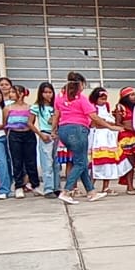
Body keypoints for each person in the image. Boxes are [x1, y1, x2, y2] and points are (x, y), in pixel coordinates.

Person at [49, 72, 108, 204]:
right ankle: (66, 191)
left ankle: (91, 192)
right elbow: (93, 116)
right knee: (81, 162)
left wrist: (54, 130)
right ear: (80, 84)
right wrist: (110, 126)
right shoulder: (81, 98)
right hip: (78, 131)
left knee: (80, 161)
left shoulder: (60, 97)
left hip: (64, 131)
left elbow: (56, 116)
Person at [89, 87, 129, 194]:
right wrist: (108, 125)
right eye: (101, 99)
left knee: (109, 162)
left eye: (105, 99)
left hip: (109, 138)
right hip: (99, 138)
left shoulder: (106, 106)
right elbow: (94, 123)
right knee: (97, 162)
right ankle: (90, 187)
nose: (104, 101)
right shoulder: (92, 108)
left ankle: (106, 187)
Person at [4, 85, 39, 198]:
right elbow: (5, 124)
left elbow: (31, 122)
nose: (11, 94)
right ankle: (19, 186)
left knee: (31, 161)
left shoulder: (30, 107)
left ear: (21, 93)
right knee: (17, 161)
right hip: (14, 135)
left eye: (13, 92)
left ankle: (35, 185)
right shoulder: (7, 108)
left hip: (28, 134)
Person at [30, 82, 59, 198]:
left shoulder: (56, 107)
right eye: (45, 92)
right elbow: (30, 123)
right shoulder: (37, 106)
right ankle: (48, 189)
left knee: (56, 164)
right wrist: (40, 135)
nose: (48, 95)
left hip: (56, 135)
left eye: (50, 92)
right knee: (47, 163)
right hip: (45, 135)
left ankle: (56, 187)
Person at [115, 87, 135, 195]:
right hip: (125, 137)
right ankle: (129, 186)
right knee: (129, 162)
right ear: (125, 97)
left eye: (134, 95)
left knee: (134, 162)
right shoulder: (120, 107)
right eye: (131, 95)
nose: (134, 97)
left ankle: (131, 186)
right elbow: (118, 123)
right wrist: (129, 128)